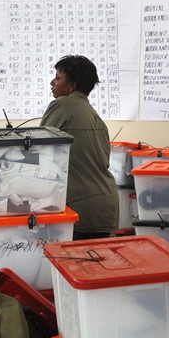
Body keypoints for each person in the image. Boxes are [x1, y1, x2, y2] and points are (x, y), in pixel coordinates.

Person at [40, 55, 119, 239]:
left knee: (69, 266)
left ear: (72, 85)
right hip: (105, 205)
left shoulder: (62, 104)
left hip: (78, 206)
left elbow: (38, 148)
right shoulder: (96, 118)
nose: (52, 82)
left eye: (58, 78)